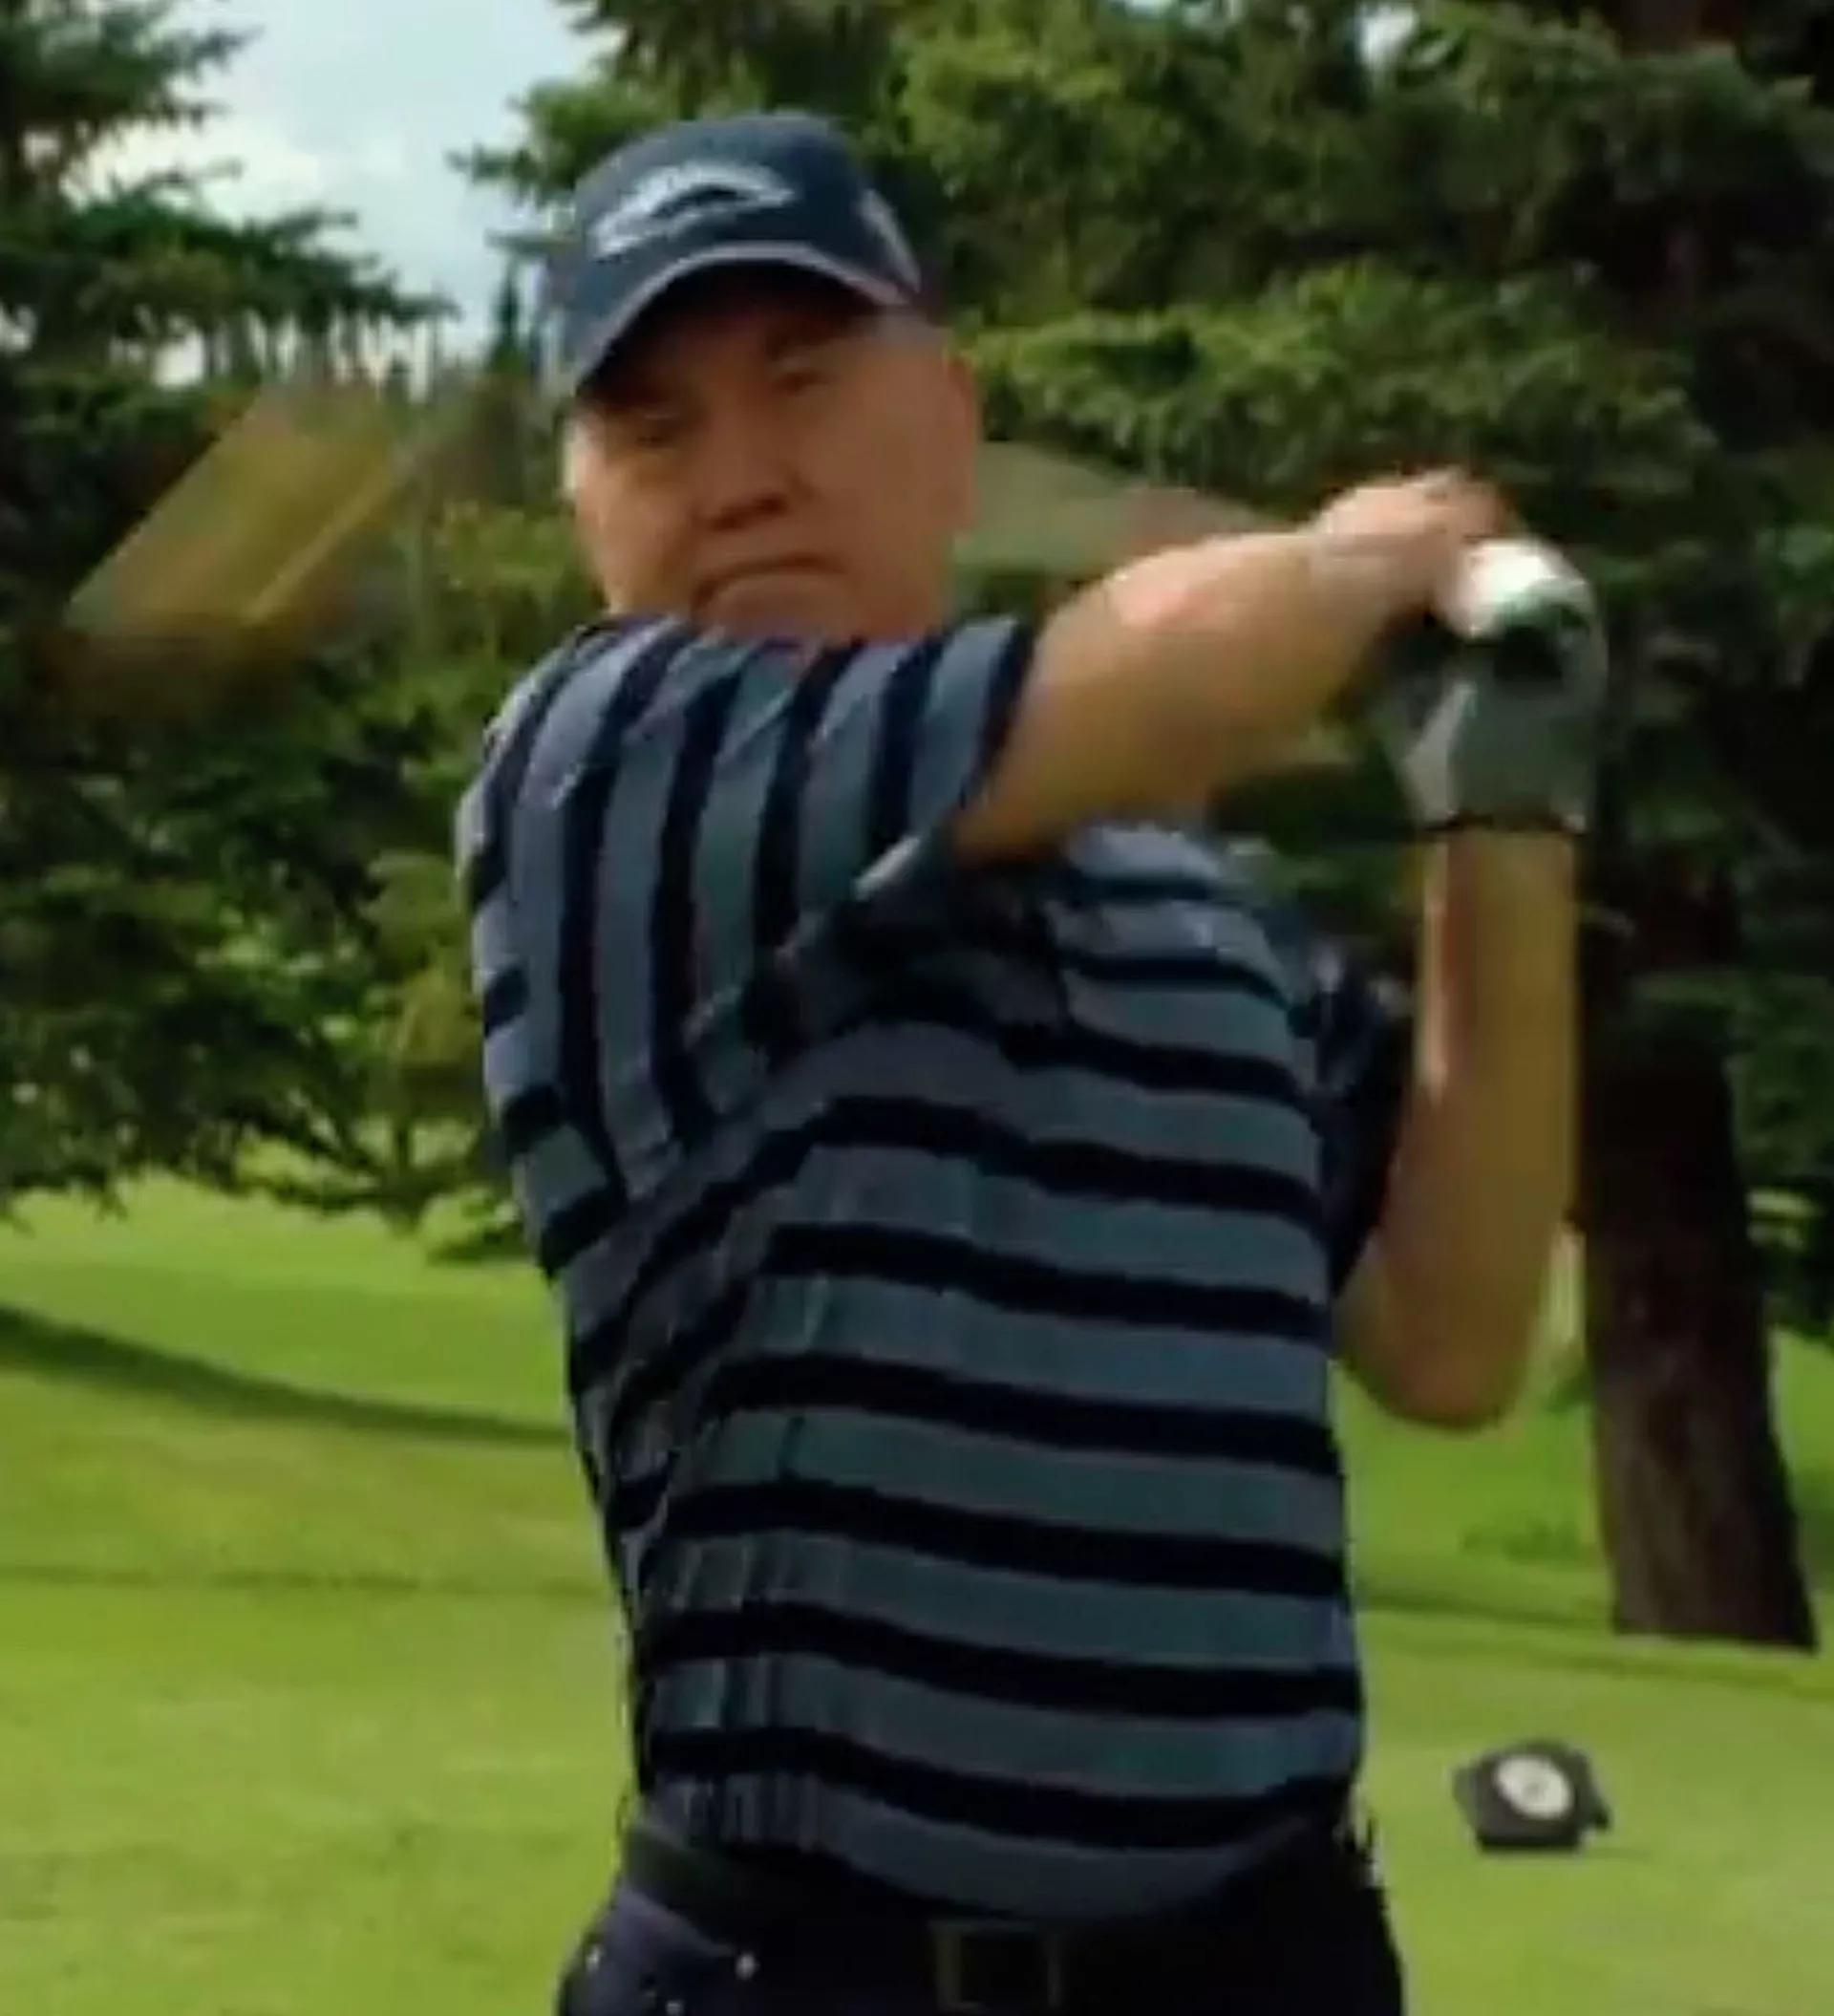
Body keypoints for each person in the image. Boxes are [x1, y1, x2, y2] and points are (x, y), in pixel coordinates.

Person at [457, 107, 1598, 2016]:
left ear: (953, 412)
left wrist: (1504, 813)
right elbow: (1152, 675)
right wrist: (1367, 555)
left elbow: (1456, 1330)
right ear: (584, 502)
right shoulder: (609, 776)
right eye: (654, 428)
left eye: (803, 381)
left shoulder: (1200, 908)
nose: (739, 478)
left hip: (1272, 1968)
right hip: (810, 1970)